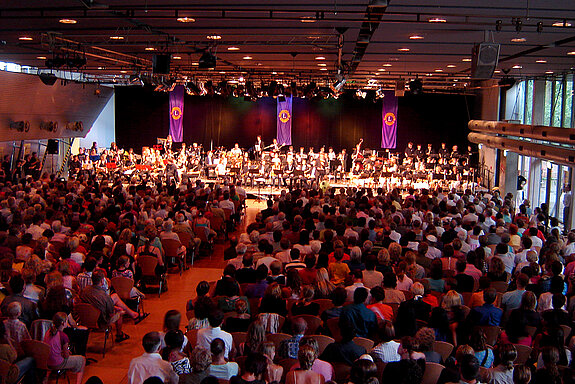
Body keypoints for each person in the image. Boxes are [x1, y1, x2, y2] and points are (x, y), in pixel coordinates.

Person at [44, 312, 86, 384]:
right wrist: (65, 352)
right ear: (63, 323)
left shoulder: (48, 332)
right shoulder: (63, 336)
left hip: (46, 362)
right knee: (82, 360)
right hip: (57, 363)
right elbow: (66, 356)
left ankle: (46, 379)